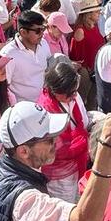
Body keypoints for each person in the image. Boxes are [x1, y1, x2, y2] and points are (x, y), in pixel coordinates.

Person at [36, 58, 92, 204]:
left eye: (75, 91)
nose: (74, 96)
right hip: (58, 176)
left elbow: (84, 122)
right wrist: (83, 142)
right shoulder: (45, 111)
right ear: (55, 91)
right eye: (69, 94)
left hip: (76, 165)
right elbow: (55, 150)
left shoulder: (72, 94)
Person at [1, 10, 53, 103]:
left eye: (43, 29)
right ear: (23, 32)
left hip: (46, 102)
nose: (42, 34)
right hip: (23, 109)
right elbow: (2, 88)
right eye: (38, 31)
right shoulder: (8, 54)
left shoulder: (44, 44)